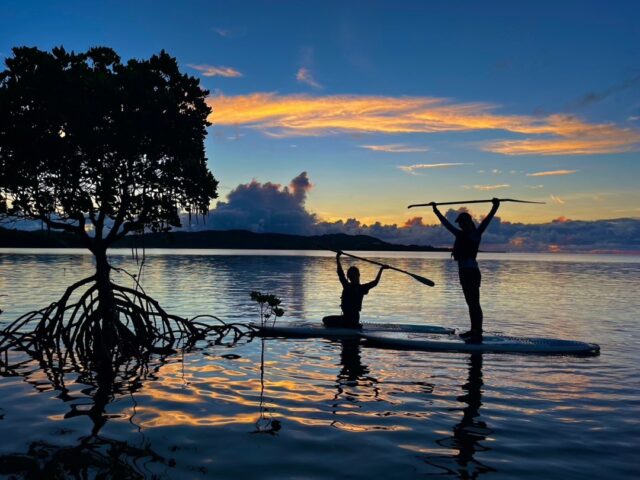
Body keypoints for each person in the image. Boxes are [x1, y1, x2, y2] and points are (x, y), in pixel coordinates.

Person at [432, 198, 500, 342]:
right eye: (460, 223)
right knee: (470, 303)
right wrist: (435, 210)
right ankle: (474, 330)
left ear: (469, 222)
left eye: (464, 222)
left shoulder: (475, 234)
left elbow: (487, 221)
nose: (461, 224)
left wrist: (495, 207)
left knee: (474, 303)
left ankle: (477, 332)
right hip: (463, 272)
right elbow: (446, 224)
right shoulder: (459, 234)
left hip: (471, 272)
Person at [322, 251, 388, 329]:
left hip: (352, 319)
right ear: (349, 277)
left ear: (358, 275)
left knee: (326, 320)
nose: (352, 277)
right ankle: (349, 325)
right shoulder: (347, 286)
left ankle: (351, 326)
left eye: (354, 275)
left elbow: (375, 282)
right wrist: (338, 258)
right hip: (346, 317)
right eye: (351, 276)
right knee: (325, 319)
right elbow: (340, 274)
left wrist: (381, 269)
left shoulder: (361, 288)